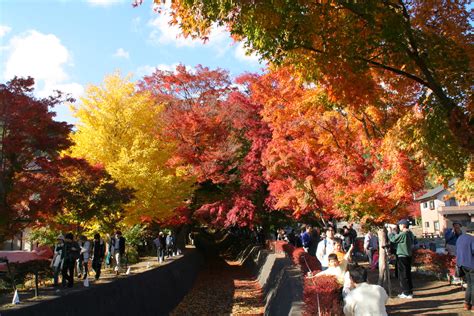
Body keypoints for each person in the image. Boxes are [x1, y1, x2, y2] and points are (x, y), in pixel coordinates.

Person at [388, 219, 415, 299]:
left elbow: (393, 239)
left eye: (399, 225)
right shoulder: (410, 233)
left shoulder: (404, 233)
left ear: (403, 225)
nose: (398, 226)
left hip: (402, 255)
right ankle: (409, 291)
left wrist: (390, 232)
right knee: (407, 274)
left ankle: (406, 293)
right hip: (408, 255)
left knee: (403, 275)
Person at [455, 222, 474, 311]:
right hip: (471, 264)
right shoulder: (472, 239)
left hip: (461, 264)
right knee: (473, 285)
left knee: (469, 284)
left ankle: (467, 304)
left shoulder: (460, 238)